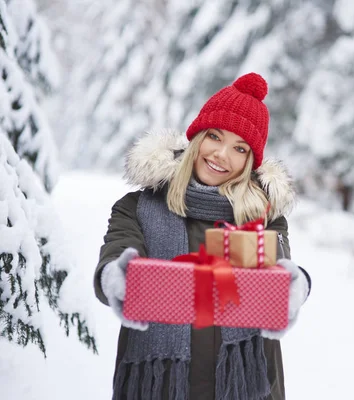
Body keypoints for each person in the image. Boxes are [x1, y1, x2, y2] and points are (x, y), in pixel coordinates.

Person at [93, 72, 311, 400]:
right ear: (197, 138)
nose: (222, 154)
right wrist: (120, 277)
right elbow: (117, 252)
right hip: (160, 384)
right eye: (214, 136)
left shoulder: (262, 216)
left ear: (250, 161)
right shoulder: (138, 207)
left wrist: (294, 285)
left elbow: (279, 268)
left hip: (245, 385)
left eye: (239, 148)